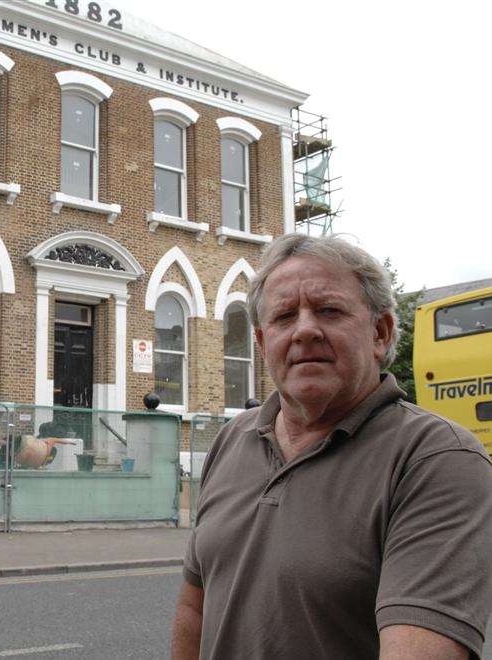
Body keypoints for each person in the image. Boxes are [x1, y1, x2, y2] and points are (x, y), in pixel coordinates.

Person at [172, 234, 491, 659]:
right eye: (284, 316)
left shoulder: (437, 459)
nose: (305, 329)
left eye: (328, 310)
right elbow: (196, 606)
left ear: (380, 332)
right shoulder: (231, 438)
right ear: (264, 344)